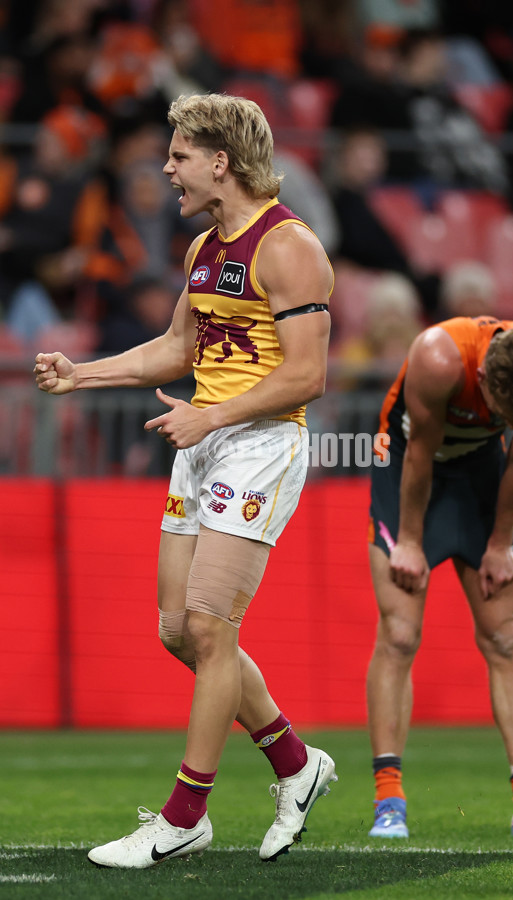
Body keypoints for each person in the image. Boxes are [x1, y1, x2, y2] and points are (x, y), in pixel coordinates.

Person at [34, 92, 337, 868]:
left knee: (210, 632)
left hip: (259, 445)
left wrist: (213, 416)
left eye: (177, 156)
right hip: (206, 440)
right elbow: (175, 348)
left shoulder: (291, 246)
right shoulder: (205, 248)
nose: (165, 168)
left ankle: (185, 814)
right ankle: (297, 765)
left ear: (220, 161)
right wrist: (83, 376)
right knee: (178, 632)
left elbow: (307, 375)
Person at [365, 315, 513, 840]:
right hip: (409, 467)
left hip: (480, 472)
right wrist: (409, 541)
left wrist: (501, 544)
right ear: (483, 382)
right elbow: (418, 454)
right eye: (506, 414)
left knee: (504, 637)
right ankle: (388, 800)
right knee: (399, 634)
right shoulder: (440, 358)